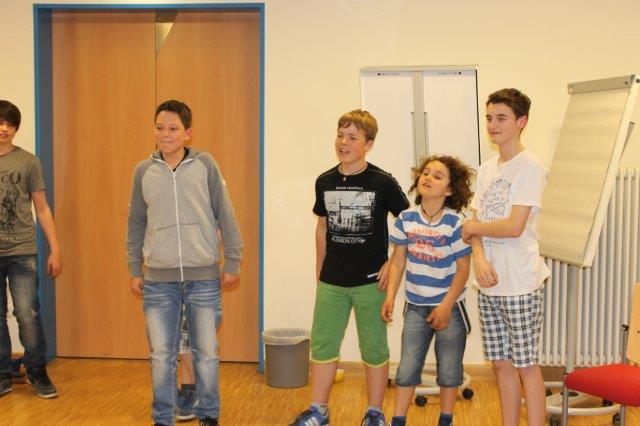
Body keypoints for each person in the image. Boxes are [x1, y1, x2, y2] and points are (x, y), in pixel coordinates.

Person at [127, 100, 243, 426]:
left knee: (206, 353)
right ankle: (162, 418)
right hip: (157, 280)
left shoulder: (205, 165)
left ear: (187, 133)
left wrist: (233, 260)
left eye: (173, 128)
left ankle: (209, 415)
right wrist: (134, 268)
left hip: (203, 277)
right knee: (161, 356)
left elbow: (225, 213)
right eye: (160, 128)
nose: (165, 134)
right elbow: (135, 224)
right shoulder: (143, 171)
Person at [290, 110, 410, 426]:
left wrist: (392, 262)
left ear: (368, 144)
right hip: (332, 282)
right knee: (323, 346)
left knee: (374, 349)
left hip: (372, 283)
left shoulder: (382, 181)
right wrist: (319, 269)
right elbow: (321, 227)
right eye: (341, 135)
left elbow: (409, 223)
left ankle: (374, 413)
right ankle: (318, 410)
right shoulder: (324, 181)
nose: (343, 142)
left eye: (352, 137)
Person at [462, 88, 550, 426]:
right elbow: (474, 226)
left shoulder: (530, 166)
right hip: (488, 282)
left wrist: (474, 228)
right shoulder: (486, 169)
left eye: (501, 118)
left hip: (519, 282)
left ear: (521, 121)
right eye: (489, 118)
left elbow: (514, 226)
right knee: (500, 364)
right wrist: (480, 259)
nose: (493, 124)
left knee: (526, 365)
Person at [382, 155, 474, 426]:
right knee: (407, 366)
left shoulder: (456, 223)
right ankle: (398, 419)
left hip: (449, 308)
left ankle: (446, 419)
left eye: (437, 175)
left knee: (449, 369)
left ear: (449, 189)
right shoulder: (406, 218)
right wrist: (390, 297)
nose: (428, 178)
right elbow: (397, 261)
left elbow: (463, 269)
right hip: (415, 306)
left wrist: (445, 305)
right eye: (425, 173)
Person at [0, 100, 62, 399]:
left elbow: (43, 208)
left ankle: (37, 370)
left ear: (16, 127)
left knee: (27, 313)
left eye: (9, 123)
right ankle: (2, 374)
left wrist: (55, 249)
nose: (3, 128)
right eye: (0, 122)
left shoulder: (28, 162)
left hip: (22, 251)